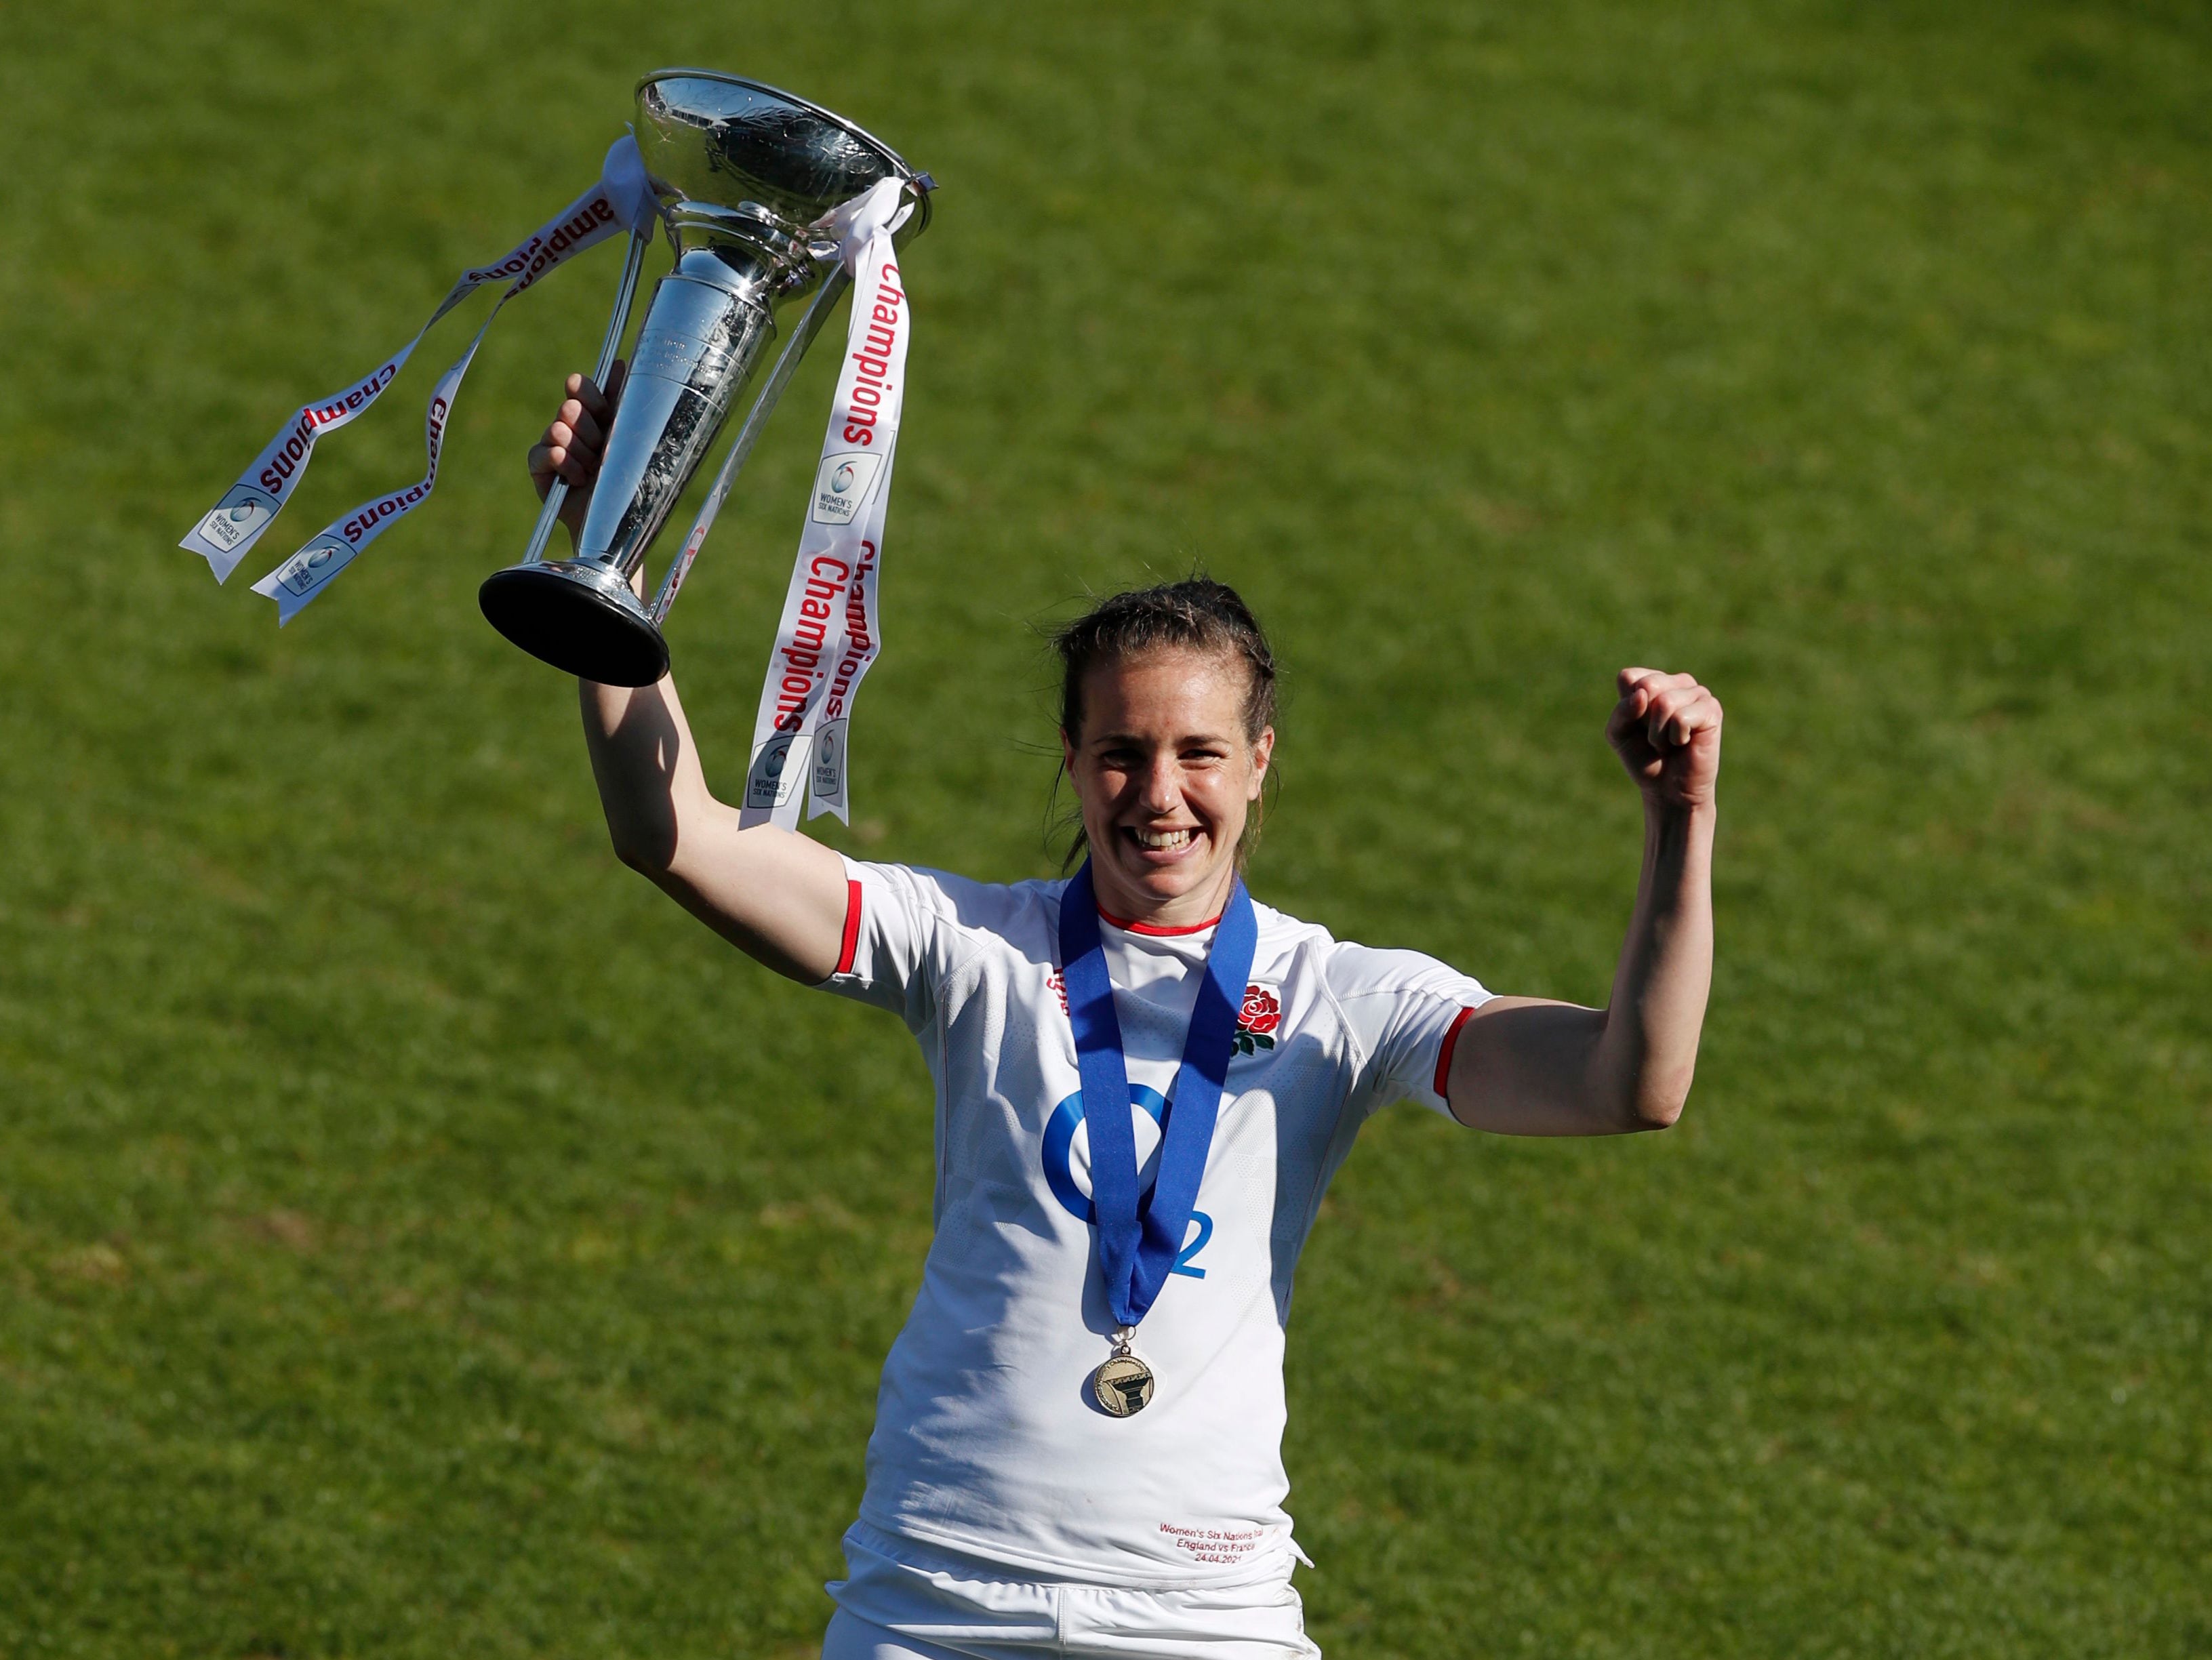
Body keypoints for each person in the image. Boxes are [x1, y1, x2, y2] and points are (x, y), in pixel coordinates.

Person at [531, 368, 1722, 1660]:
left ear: (1260, 762)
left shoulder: (1343, 1000)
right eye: (1122, 751)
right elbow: (676, 834)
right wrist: (612, 568)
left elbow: (1628, 1082)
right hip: (937, 1594)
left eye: (1201, 752)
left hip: (1202, 1616)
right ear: (1070, 756)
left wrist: (1680, 822)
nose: (1161, 792)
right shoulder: (970, 948)